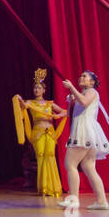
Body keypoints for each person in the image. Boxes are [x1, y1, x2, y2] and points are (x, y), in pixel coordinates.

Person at [59, 70, 109, 211]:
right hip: (88, 131)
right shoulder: (83, 93)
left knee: (70, 164)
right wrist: (72, 101)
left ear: (92, 82)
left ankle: (74, 199)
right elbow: (74, 111)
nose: (81, 77)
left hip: (84, 131)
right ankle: (102, 201)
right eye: (80, 75)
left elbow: (84, 102)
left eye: (85, 76)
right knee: (89, 168)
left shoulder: (91, 92)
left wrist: (72, 88)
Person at [12, 68, 67, 197]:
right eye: (35, 88)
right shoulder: (30, 103)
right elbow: (23, 107)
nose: (36, 90)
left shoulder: (50, 103)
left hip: (50, 133)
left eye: (39, 88)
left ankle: (54, 188)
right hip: (38, 133)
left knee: (51, 156)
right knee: (41, 156)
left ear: (44, 90)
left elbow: (64, 112)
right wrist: (19, 99)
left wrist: (56, 116)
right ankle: (44, 187)